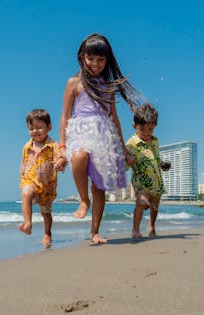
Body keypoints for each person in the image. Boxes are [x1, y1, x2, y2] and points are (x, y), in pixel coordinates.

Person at [54, 33, 142, 245]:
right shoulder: (74, 83)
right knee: (78, 157)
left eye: (101, 60)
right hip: (80, 132)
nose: (95, 64)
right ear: (82, 57)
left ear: (107, 60)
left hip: (104, 137)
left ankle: (94, 232)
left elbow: (115, 120)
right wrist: (62, 146)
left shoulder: (108, 87)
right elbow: (65, 115)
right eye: (91, 58)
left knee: (99, 187)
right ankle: (84, 200)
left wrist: (124, 149)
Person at [19, 109, 65, 249]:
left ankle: (47, 233)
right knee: (26, 193)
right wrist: (22, 178)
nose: (35, 131)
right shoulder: (27, 146)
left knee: (46, 213)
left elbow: (61, 159)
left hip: (47, 187)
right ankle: (28, 223)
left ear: (49, 127)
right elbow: (24, 163)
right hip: (30, 181)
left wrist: (60, 163)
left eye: (39, 127)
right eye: (31, 128)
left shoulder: (53, 146)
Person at [126, 103, 171, 239]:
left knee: (155, 207)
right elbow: (125, 162)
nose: (146, 133)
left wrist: (162, 164)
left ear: (155, 126)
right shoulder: (131, 143)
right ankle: (135, 229)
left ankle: (152, 226)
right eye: (142, 129)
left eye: (150, 129)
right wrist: (127, 162)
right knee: (142, 202)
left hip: (156, 181)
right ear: (134, 126)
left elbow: (156, 158)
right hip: (141, 180)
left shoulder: (155, 141)